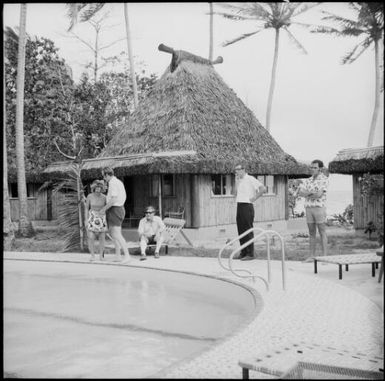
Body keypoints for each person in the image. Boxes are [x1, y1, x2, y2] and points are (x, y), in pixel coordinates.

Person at [296, 159, 329, 261]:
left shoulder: (324, 179)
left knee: (322, 232)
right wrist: (311, 193)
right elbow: (300, 193)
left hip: (319, 208)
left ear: (320, 169)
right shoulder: (308, 180)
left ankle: (324, 257)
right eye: (312, 167)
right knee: (311, 233)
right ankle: (312, 256)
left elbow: (319, 195)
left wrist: (308, 193)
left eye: (315, 168)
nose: (313, 169)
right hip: (309, 208)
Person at [234, 163, 266, 260]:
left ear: (243, 169)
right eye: (235, 170)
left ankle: (250, 253)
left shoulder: (250, 178)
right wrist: (236, 182)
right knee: (241, 229)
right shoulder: (239, 180)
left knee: (248, 229)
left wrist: (254, 198)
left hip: (247, 205)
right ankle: (243, 252)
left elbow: (263, 188)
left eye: (238, 169)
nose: (237, 172)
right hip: (239, 204)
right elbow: (234, 193)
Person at [99, 167, 131, 262]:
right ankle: (118, 255)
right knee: (114, 234)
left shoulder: (113, 183)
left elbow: (114, 199)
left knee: (116, 234)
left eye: (104, 176)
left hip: (116, 209)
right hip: (117, 209)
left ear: (107, 175)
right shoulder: (117, 182)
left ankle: (127, 255)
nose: (104, 178)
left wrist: (103, 209)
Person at [85, 180, 108, 261]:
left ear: (102, 188)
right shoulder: (89, 196)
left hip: (101, 218)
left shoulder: (105, 197)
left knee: (102, 237)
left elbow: (107, 208)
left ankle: (101, 256)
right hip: (92, 217)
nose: (98, 189)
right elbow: (86, 208)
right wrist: (86, 220)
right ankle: (92, 255)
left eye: (99, 188)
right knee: (91, 237)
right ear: (93, 188)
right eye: (96, 188)